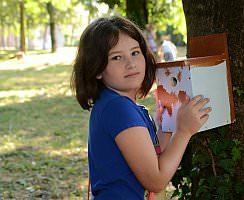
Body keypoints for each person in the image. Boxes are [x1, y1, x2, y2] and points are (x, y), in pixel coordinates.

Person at [71, 16, 211, 200]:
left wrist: (166, 127)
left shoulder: (116, 104)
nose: (130, 63)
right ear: (97, 68)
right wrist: (184, 131)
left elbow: (151, 158)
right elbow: (155, 181)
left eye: (135, 53)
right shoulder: (118, 109)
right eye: (117, 57)